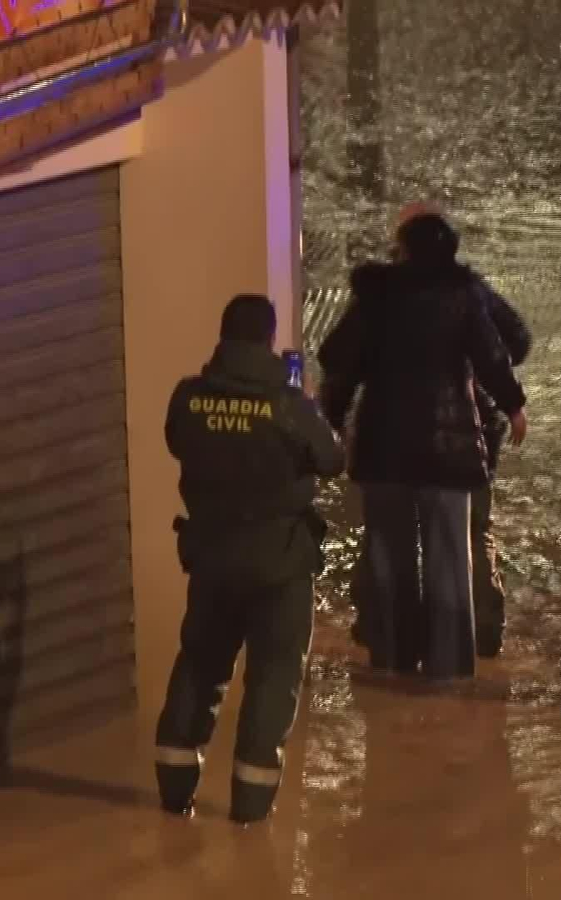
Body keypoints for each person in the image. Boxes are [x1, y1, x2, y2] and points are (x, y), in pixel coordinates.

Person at [154, 294, 345, 824]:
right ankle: (249, 814)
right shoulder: (290, 406)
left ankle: (173, 797)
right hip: (279, 564)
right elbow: (333, 459)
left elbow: (176, 442)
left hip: (212, 559)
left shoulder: (188, 398)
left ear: (223, 336)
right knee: (273, 677)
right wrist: (308, 405)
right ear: (268, 339)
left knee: (199, 664)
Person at [318, 211, 527, 681]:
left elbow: (337, 358)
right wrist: (513, 405)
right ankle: (448, 668)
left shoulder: (376, 295)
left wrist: (332, 418)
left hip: (383, 446)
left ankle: (392, 659)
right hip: (450, 449)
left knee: (388, 555)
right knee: (450, 556)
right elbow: (495, 354)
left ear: (403, 248)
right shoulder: (464, 294)